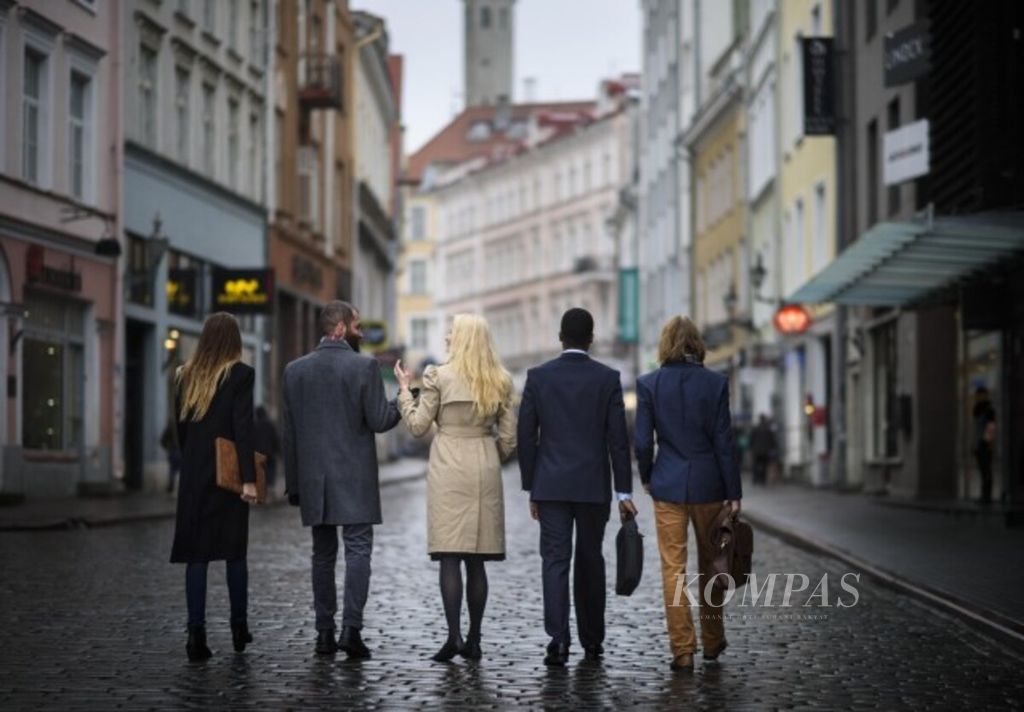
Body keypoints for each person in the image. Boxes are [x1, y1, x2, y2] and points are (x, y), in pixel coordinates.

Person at [393, 314, 517, 662]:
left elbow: (418, 425)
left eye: (452, 330)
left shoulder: (438, 375)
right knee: (477, 559)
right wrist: (491, 455)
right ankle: (475, 639)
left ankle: (453, 637)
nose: (447, 335)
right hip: (484, 463)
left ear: (461, 338)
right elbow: (509, 439)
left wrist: (405, 391)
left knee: (450, 555)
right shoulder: (500, 381)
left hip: (448, 465)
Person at [282, 301, 401, 659]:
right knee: (358, 550)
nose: (361, 332)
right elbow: (380, 420)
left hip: (314, 480)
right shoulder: (364, 366)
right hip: (356, 479)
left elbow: (290, 434)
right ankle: (351, 630)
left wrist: (294, 484)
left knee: (322, 555)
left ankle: (323, 635)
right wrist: (405, 398)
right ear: (339, 329)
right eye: (357, 325)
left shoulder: (294, 371)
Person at [517, 308, 635, 667]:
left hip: (550, 486)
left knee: (554, 561)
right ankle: (593, 640)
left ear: (560, 337)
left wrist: (531, 486)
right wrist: (624, 493)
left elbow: (525, 435)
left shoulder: (538, 377)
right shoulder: (607, 378)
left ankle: (558, 641)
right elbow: (618, 440)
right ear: (591, 338)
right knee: (590, 560)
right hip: (592, 487)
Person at [635, 316, 742, 672]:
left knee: (673, 569)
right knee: (712, 565)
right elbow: (724, 442)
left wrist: (648, 476)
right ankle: (712, 641)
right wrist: (734, 491)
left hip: (668, 486)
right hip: (710, 486)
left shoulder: (649, 384)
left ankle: (683, 650)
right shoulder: (715, 384)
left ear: (665, 345)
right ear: (697, 344)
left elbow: (641, 442)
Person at [169, 312, 259, 662]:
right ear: (234, 340)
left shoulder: (183, 375)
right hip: (228, 476)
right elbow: (243, 428)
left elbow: (182, 431)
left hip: (194, 476)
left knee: (198, 557)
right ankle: (239, 627)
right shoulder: (240, 375)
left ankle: (195, 635)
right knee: (235, 553)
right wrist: (249, 479)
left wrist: (191, 462)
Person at [972, 387, 997, 504]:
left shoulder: (989, 410)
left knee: (986, 471)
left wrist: (989, 443)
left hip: (985, 445)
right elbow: (975, 428)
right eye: (979, 395)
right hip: (978, 444)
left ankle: (987, 496)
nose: (980, 397)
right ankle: (984, 495)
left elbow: (991, 428)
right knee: (983, 471)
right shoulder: (977, 409)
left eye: (982, 395)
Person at [252, 406, 281, 497]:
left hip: (258, 454)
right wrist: (279, 453)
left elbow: (251, 442)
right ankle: (270, 488)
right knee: (271, 471)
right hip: (270, 454)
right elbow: (275, 439)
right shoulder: (270, 425)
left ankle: (262, 492)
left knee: (261, 473)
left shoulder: (254, 426)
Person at [749, 414, 778, 486]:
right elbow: (772, 441)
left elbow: (751, 439)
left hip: (756, 451)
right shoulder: (768, 429)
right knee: (764, 465)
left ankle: (755, 479)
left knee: (755, 465)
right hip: (765, 451)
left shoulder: (755, 428)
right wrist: (773, 448)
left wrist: (750, 448)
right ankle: (763, 480)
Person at [160, 419, 182, 494]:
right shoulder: (173, 426)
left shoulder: (170, 426)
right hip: (177, 450)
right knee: (177, 470)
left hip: (174, 451)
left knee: (173, 470)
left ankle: (171, 486)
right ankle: (175, 487)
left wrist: (168, 447)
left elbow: (163, 440)